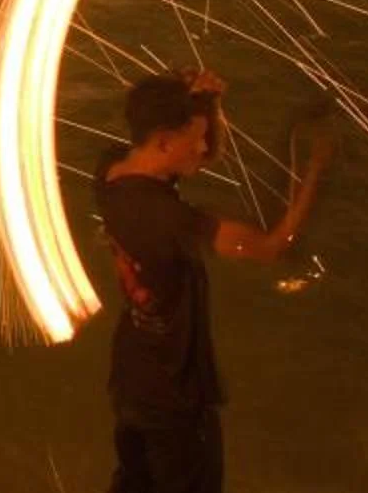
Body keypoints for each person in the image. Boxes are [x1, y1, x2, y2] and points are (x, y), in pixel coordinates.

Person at [95, 67, 332, 493]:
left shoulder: (110, 172)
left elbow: (199, 158)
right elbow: (270, 246)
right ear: (164, 140)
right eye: (195, 136)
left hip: (131, 381)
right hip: (175, 394)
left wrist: (205, 107)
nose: (204, 147)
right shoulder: (171, 220)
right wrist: (315, 172)